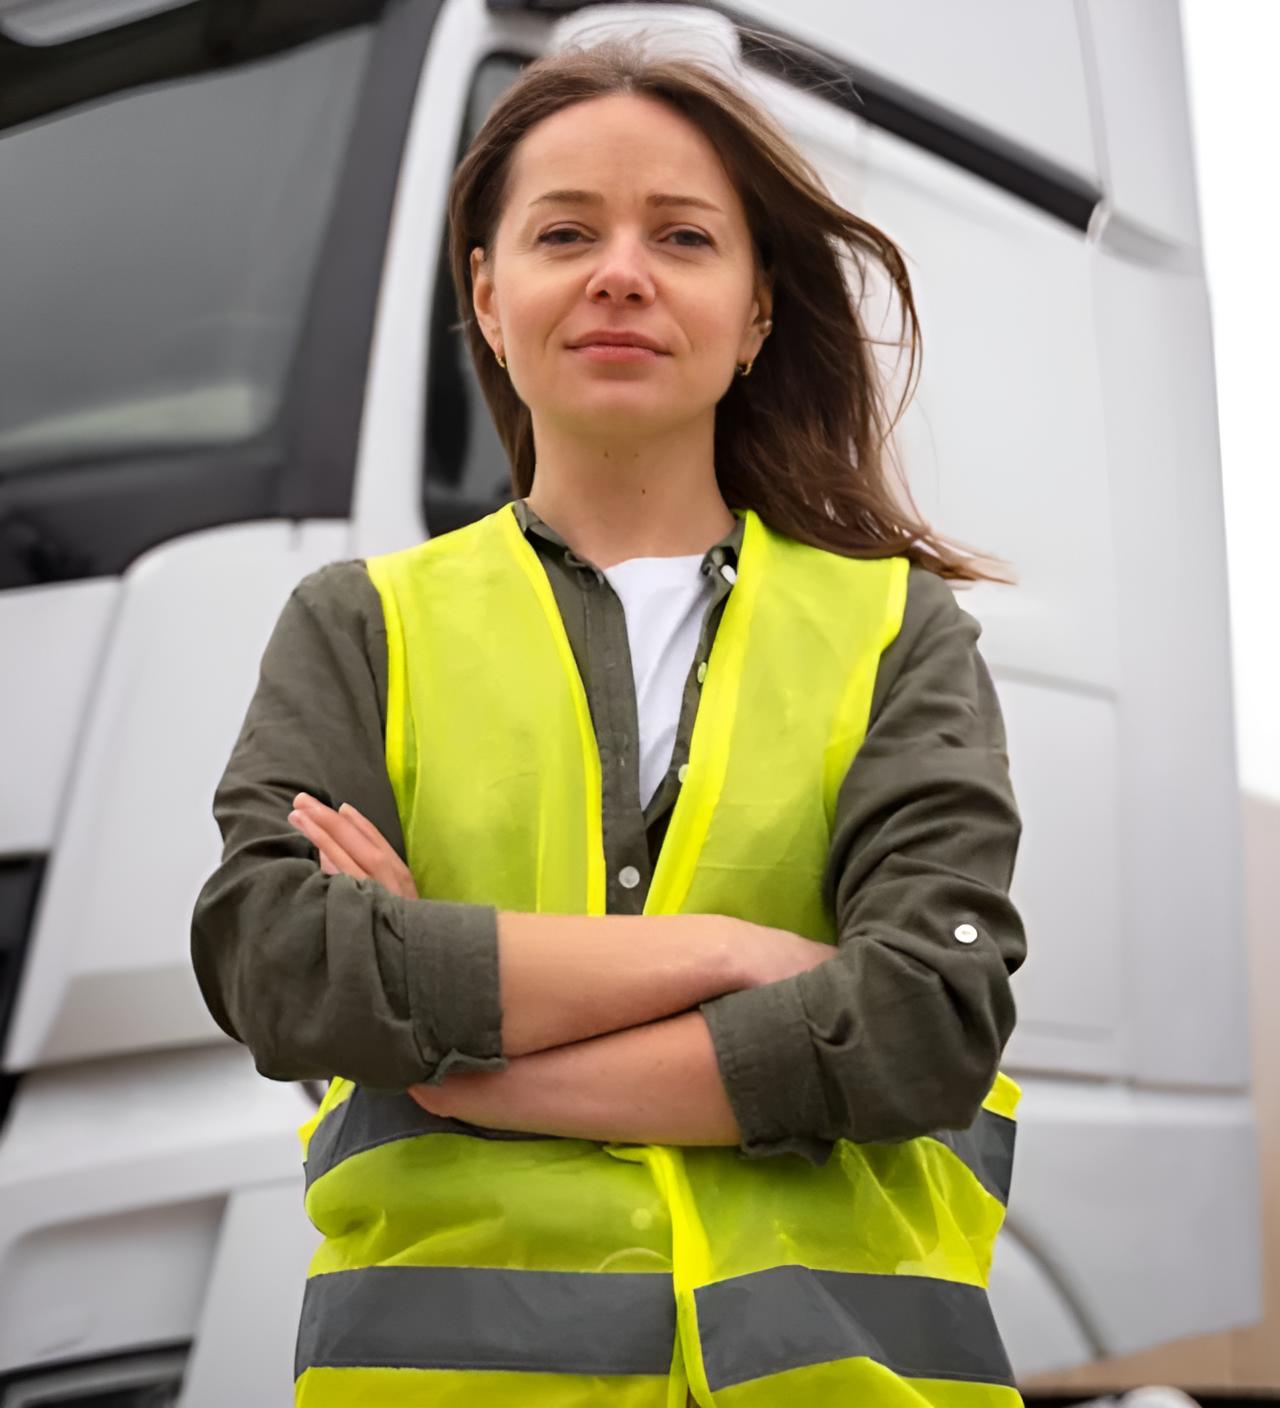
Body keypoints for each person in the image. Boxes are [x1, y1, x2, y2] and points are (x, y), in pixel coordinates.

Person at [190, 32, 1027, 1408]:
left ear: (758, 310)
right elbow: (280, 962)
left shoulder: (898, 631)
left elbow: (927, 1015)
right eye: (564, 231)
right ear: (489, 293)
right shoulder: (361, 623)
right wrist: (726, 953)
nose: (619, 273)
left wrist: (471, 1069)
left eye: (685, 238)